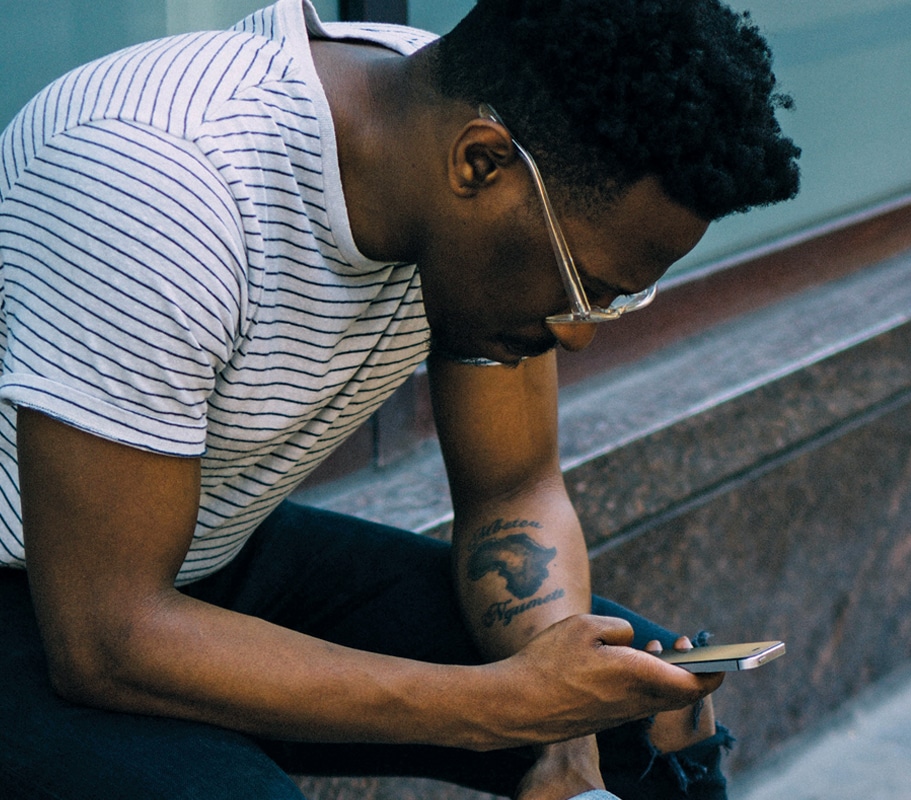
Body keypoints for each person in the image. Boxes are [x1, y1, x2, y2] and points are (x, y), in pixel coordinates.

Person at [0, 0, 800, 797]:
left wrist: (567, 736)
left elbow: (512, 490)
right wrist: (501, 707)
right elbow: (106, 638)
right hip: (53, 594)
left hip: (201, 549)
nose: (580, 334)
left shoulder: (490, 129)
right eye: (582, 288)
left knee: (646, 724)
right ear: (479, 166)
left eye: (614, 302)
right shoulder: (157, 184)